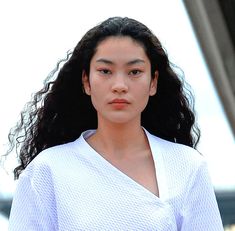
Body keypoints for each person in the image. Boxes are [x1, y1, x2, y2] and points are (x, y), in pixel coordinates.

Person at [7, 17, 223, 230]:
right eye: (105, 71)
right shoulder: (46, 171)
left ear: (153, 82)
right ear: (86, 82)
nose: (119, 85)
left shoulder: (187, 166)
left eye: (135, 72)